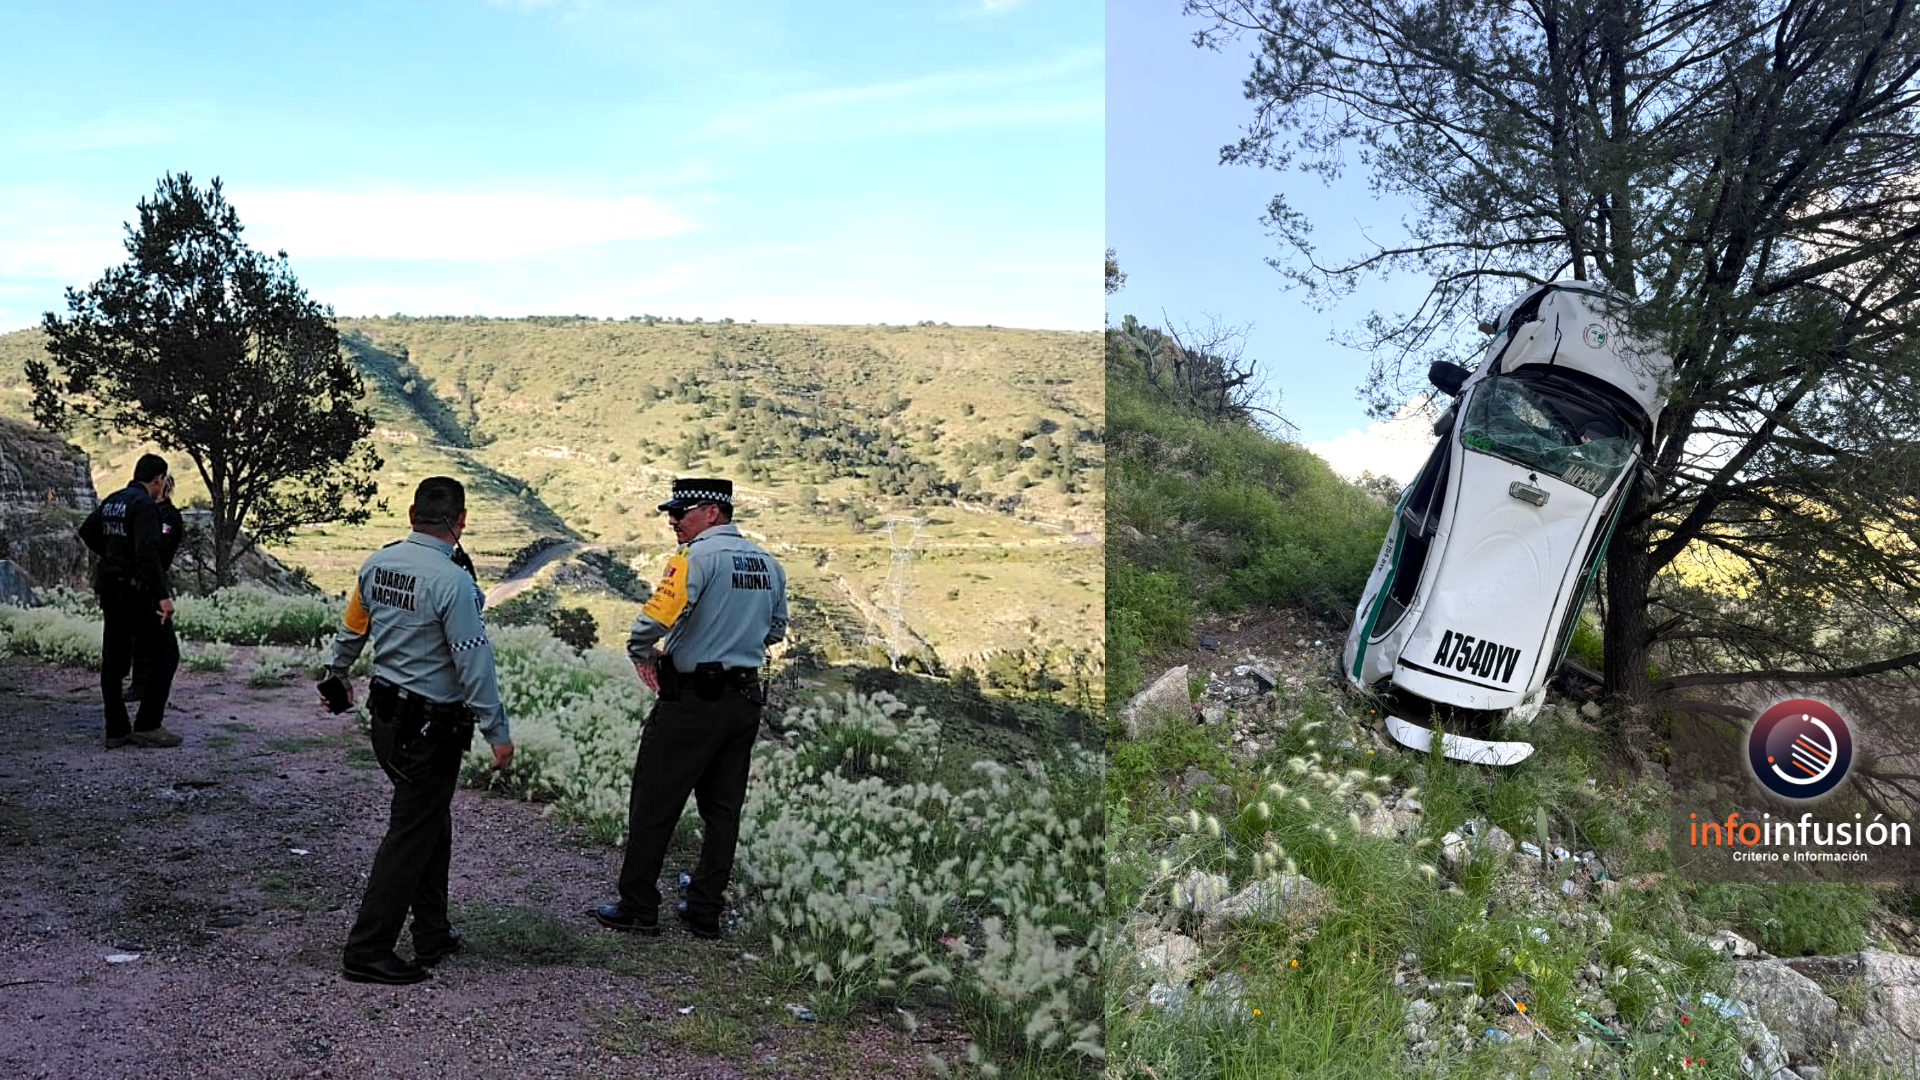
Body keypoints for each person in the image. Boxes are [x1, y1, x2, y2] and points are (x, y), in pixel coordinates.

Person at [321, 476, 515, 985]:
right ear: (462, 520)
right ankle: (366, 950)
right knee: (410, 834)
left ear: (411, 515)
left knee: (430, 821)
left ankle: (432, 931)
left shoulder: (378, 562)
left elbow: (352, 628)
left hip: (388, 720)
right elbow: (473, 662)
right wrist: (497, 730)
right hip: (431, 728)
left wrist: (335, 674)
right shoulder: (452, 582)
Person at [591, 478, 787, 939]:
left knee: (655, 801)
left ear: (714, 512)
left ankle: (638, 905)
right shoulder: (769, 564)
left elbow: (655, 619)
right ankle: (704, 910)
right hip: (743, 700)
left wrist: (641, 652)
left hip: (692, 699)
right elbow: (775, 632)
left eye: (682, 511)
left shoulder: (693, 558)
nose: (673, 520)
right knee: (723, 809)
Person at [78, 453, 181, 749]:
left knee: (114, 659)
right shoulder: (145, 505)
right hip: (139, 593)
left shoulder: (114, 499)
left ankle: (116, 729)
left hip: (110, 589)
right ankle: (148, 725)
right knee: (166, 655)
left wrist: (113, 553)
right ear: (159, 480)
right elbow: (148, 554)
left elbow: (87, 531)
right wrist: (162, 597)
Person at [127, 474, 185, 701]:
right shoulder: (142, 510)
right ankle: (140, 687)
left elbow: (161, 552)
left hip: (153, 580)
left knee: (161, 645)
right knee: (139, 639)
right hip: (138, 581)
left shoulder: (169, 516)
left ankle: (148, 691)